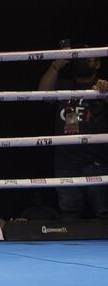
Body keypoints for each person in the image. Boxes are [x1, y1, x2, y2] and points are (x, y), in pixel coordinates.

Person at [38, 52, 108, 219]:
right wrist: (56, 65)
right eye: (80, 58)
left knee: (103, 209)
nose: (83, 62)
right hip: (66, 161)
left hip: (95, 160)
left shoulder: (101, 87)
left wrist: (105, 92)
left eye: (88, 58)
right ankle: (69, 245)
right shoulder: (63, 86)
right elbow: (42, 94)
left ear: (97, 64)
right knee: (69, 211)